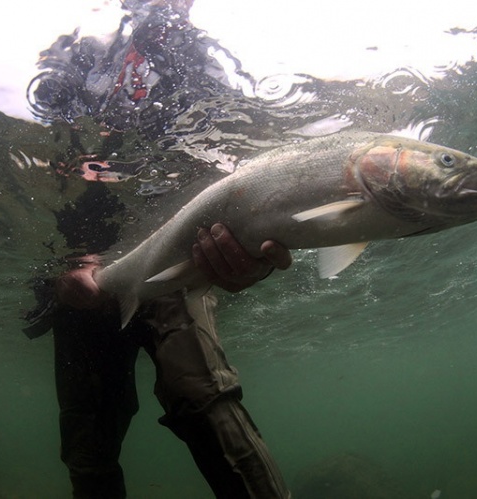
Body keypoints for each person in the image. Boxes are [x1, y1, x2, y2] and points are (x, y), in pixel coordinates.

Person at [24, 1, 295, 496]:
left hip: (174, 259)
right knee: (89, 440)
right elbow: (48, 160)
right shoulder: (76, 59)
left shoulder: (207, 65)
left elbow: (230, 174)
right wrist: (75, 258)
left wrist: (246, 252)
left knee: (207, 401)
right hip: (78, 271)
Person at [34, 224, 292, 498]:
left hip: (169, 270)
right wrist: (60, 281)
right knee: (87, 438)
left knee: (202, 397)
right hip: (76, 295)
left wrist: (258, 261)